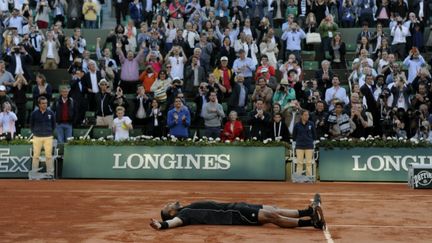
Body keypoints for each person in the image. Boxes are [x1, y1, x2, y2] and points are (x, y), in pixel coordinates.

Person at [150, 193, 326, 230]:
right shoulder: (183, 215)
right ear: (172, 213)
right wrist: (162, 225)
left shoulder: (186, 207)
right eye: (168, 206)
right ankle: (311, 223)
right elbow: (174, 223)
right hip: (235, 215)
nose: (170, 203)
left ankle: (308, 211)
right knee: (272, 217)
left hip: (236, 205)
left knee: (273, 208)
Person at [30, 96, 56, 179]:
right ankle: (34, 174)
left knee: (48, 156)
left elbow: (53, 125)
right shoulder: (34, 113)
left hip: (48, 137)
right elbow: (31, 125)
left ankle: (50, 174)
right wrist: (35, 132)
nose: (45, 105)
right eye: (43, 103)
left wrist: (49, 132)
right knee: (36, 156)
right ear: (39, 104)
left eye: (46, 103)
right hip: (37, 137)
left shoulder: (51, 113)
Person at [293, 110, 316, 177]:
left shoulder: (311, 124)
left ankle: (309, 177)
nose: (307, 116)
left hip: (309, 145)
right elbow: (294, 135)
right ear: (301, 116)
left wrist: (312, 141)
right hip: (299, 146)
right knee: (299, 162)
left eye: (308, 115)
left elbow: (314, 134)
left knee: (308, 162)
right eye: (305, 115)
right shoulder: (297, 125)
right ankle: (298, 177)